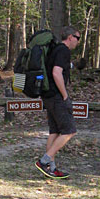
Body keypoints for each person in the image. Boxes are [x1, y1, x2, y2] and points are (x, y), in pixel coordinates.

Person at [35, 25, 80, 179]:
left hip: (47, 96)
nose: (78, 42)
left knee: (54, 131)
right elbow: (56, 73)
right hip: (56, 97)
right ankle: (44, 161)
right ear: (70, 37)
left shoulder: (55, 50)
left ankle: (51, 168)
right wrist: (65, 96)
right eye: (77, 38)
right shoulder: (63, 50)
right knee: (69, 131)